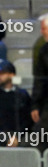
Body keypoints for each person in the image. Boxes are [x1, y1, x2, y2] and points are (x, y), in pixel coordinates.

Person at [33, 15, 48, 144]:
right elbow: (39, 80)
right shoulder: (43, 50)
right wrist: (35, 105)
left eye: (44, 28)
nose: (42, 32)